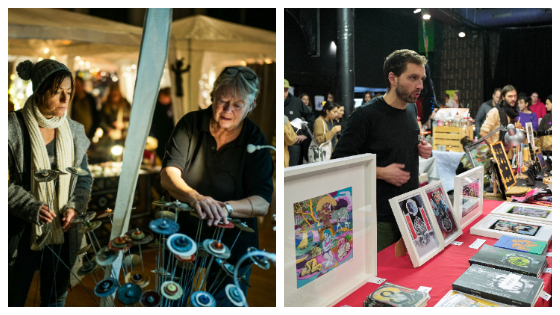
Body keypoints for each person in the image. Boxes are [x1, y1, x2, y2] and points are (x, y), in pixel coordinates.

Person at [160, 66, 273, 306]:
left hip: (232, 242)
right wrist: (195, 197)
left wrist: (225, 209)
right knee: (172, 299)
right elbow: (168, 174)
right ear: (212, 96)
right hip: (184, 233)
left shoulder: (255, 141)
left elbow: (262, 202)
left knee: (226, 305)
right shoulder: (190, 124)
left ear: (251, 107)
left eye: (238, 105)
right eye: (222, 101)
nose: (228, 110)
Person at [8, 59, 93, 307]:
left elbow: (83, 177)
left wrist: (75, 206)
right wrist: (31, 207)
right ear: (39, 90)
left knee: (55, 297)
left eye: (68, 92)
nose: (65, 99)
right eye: (57, 92)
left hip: (62, 232)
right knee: (14, 295)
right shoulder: (12, 127)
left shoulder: (74, 131)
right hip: (21, 233)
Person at [332, 49, 433, 252]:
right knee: (380, 279)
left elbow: (399, 143)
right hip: (379, 217)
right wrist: (381, 172)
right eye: (413, 78)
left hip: (411, 210)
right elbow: (337, 163)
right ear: (392, 78)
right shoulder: (365, 115)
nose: (420, 85)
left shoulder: (411, 109)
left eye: (421, 78)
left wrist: (422, 148)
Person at [284, 79, 316, 166]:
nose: (283, 93)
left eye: (285, 90)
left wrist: (305, 134)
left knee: (292, 170)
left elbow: (311, 118)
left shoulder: (297, 102)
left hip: (294, 143)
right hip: (278, 142)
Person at [479, 85, 521, 150]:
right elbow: (483, 132)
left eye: (515, 96)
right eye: (510, 96)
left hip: (510, 151)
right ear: (503, 97)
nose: (513, 99)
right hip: (498, 152)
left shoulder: (512, 112)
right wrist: (494, 149)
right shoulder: (495, 112)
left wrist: (517, 129)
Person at [149, 87, 175, 161]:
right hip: (160, 136)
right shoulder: (156, 107)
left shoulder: (173, 107)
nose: (163, 100)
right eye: (162, 97)